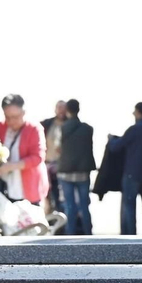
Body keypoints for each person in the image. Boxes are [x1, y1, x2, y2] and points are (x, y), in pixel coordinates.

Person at [107, 102, 142, 234]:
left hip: (132, 173)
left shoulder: (134, 130)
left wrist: (110, 140)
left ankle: (131, 235)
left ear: (137, 112)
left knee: (130, 205)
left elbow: (116, 147)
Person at [0, 94, 48, 205]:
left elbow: (38, 157)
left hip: (28, 188)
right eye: (7, 117)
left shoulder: (34, 129)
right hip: (3, 187)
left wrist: (11, 166)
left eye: (15, 117)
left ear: (23, 112)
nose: (11, 121)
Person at [54, 99, 96, 235]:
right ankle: (89, 234)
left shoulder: (63, 128)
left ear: (67, 110)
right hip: (83, 172)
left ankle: (69, 235)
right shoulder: (88, 129)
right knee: (84, 206)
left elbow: (57, 148)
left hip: (66, 172)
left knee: (70, 206)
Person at [40, 100, 67, 215]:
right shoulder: (47, 124)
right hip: (47, 164)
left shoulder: (69, 125)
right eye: (59, 107)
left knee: (62, 197)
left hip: (63, 166)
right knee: (48, 196)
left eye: (63, 108)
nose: (61, 110)